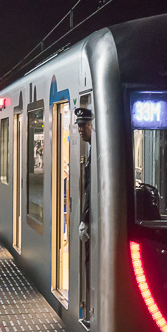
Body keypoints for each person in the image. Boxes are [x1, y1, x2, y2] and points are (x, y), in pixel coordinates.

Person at [75, 108, 93, 266]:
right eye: (79, 126)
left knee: (89, 261)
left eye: (84, 125)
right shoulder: (92, 149)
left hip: (93, 220)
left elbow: (91, 190)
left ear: (92, 125)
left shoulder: (97, 151)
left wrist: (84, 220)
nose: (80, 129)